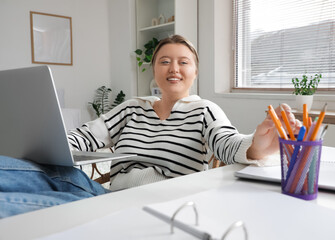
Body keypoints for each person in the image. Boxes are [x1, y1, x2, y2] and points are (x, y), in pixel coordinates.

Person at [0, 35, 300, 218]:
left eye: (183, 62)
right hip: (105, 195)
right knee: (19, 169)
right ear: (154, 68)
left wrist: (258, 144)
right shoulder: (133, 106)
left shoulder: (204, 110)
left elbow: (229, 144)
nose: (174, 68)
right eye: (164, 61)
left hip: (158, 206)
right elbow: (86, 136)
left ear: (195, 71)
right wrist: (47, 138)